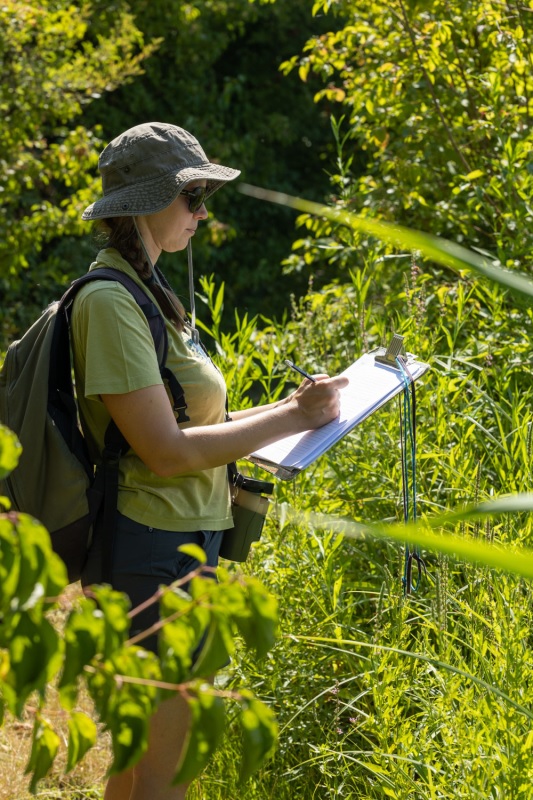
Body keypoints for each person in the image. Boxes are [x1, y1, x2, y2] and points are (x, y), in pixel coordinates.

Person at [71, 121, 348, 800]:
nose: (201, 211)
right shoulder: (111, 301)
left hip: (182, 540)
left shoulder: (148, 293)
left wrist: (291, 407)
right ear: (143, 203)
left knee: (139, 768)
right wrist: (293, 418)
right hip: (151, 548)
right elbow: (164, 453)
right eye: (191, 196)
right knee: (169, 772)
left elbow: (202, 424)